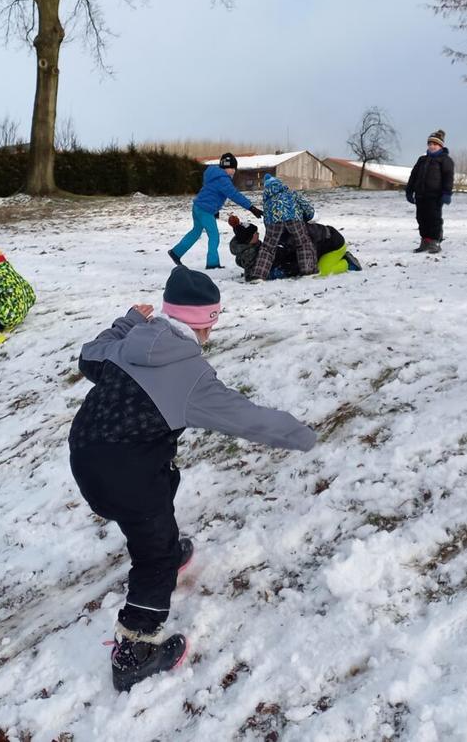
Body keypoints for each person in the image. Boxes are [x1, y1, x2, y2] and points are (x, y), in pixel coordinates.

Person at [69, 267, 317, 692]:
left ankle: (163, 546)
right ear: (206, 324)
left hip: (87, 454)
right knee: (155, 558)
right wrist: (303, 434)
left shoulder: (130, 343)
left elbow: (90, 355)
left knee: (158, 491)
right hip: (125, 475)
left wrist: (127, 320)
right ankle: (134, 651)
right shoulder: (192, 377)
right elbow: (248, 419)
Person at [169, 153, 262, 270]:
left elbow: (211, 193)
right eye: (233, 169)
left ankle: (176, 252)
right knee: (214, 236)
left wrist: (215, 210)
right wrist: (251, 208)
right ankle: (212, 263)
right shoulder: (223, 180)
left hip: (198, 207)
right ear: (227, 168)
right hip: (205, 211)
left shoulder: (213, 175)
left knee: (195, 232)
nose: (233, 172)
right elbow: (235, 195)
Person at [228, 214, 361, 278]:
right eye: (255, 233)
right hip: (321, 247)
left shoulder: (303, 234)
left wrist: (304, 267)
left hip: (334, 245)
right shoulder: (281, 233)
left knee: (321, 272)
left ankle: (348, 263)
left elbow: (310, 252)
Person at [246, 173, 317, 281]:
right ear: (279, 184)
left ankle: (258, 275)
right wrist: (308, 217)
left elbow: (266, 218)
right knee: (303, 243)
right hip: (293, 218)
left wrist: (270, 231)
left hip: (273, 222)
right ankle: (308, 270)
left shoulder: (267, 201)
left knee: (268, 248)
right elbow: (307, 207)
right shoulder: (291, 193)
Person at [406, 129, 454, 253]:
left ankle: (435, 241)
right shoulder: (422, 160)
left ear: (441, 146)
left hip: (435, 196)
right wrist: (409, 191)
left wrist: (446, 193)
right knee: (421, 218)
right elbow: (413, 176)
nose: (432, 146)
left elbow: (448, 178)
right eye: (430, 144)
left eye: (435, 144)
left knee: (433, 219)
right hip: (421, 195)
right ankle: (425, 240)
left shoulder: (445, 160)